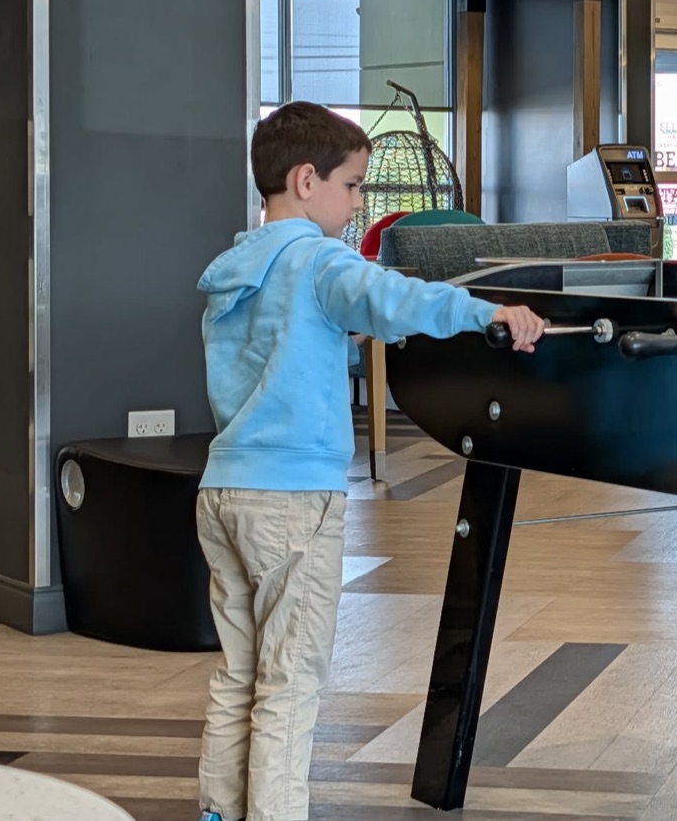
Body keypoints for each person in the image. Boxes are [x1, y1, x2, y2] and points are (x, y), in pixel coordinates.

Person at [194, 102, 544, 821]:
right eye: (353, 187)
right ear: (305, 180)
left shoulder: (236, 269)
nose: (358, 204)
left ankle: (217, 813)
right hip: (295, 501)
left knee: (239, 674)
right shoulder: (318, 259)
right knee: (291, 680)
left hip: (226, 490)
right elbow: (391, 299)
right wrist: (489, 314)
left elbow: (274, 356)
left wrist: (335, 342)